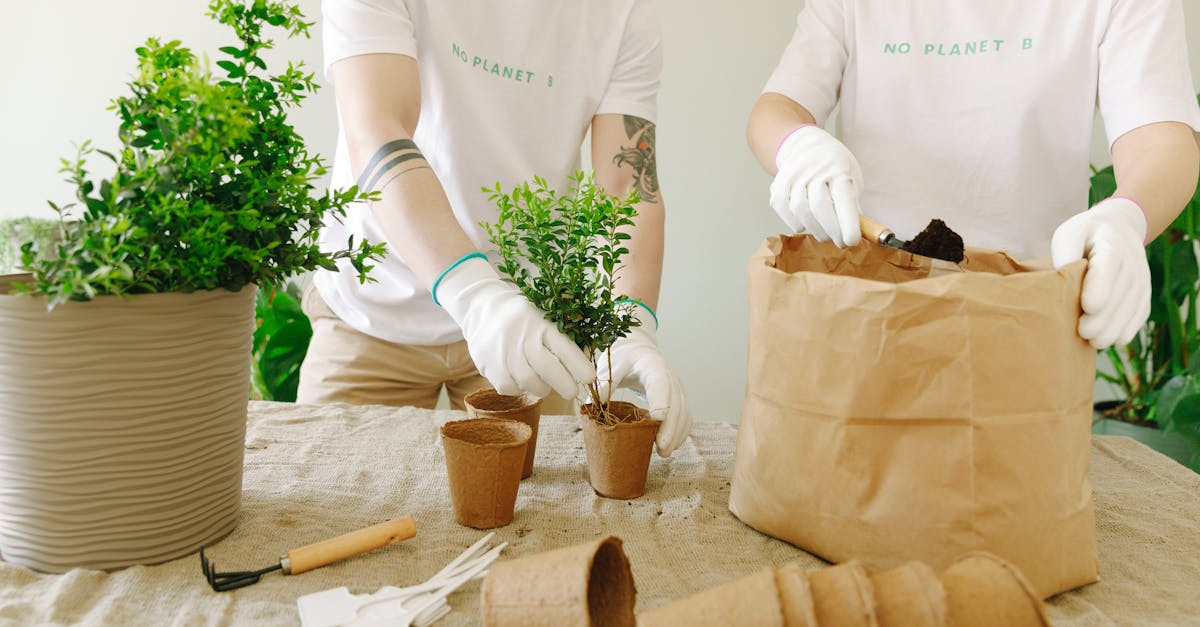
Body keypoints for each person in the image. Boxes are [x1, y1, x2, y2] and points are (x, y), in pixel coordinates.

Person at [297, 0, 692, 456]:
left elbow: (626, 185)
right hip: (372, 312)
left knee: (541, 511)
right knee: (327, 492)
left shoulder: (623, 12)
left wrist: (632, 324)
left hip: (528, 328)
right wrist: (475, 295)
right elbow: (377, 129)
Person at [749, 0, 1200, 350]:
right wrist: (799, 146)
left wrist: (1126, 216)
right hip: (868, 312)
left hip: (1028, 316)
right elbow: (778, 108)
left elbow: (1160, 140)